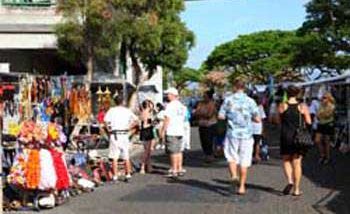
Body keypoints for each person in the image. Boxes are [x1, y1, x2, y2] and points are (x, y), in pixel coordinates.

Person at [218, 80, 261, 195]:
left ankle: (234, 175)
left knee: (232, 156)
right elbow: (257, 119)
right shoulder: (251, 101)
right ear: (244, 88)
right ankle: (242, 186)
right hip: (247, 134)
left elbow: (221, 116)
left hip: (232, 133)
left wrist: (230, 116)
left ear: (234, 87)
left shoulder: (228, 100)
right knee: (244, 160)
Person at [278, 86, 311, 196]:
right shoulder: (302, 106)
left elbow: (278, 120)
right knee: (297, 163)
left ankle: (290, 181)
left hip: (285, 135)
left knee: (286, 160)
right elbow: (309, 121)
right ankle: (296, 190)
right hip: (298, 136)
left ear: (287, 94)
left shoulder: (282, 105)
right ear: (298, 94)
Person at [104, 95, 138, 182]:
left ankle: (115, 176)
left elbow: (105, 121)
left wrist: (109, 130)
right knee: (126, 155)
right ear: (123, 102)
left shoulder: (111, 111)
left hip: (115, 134)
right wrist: (129, 127)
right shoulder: (127, 111)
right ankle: (128, 174)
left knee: (114, 156)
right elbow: (136, 120)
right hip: (124, 133)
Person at [161, 87, 186, 177]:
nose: (167, 96)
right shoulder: (181, 106)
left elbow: (167, 118)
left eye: (168, 94)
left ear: (172, 95)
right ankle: (179, 168)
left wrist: (163, 130)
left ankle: (174, 169)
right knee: (179, 151)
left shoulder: (170, 105)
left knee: (173, 151)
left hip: (172, 130)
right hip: (180, 130)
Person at [193, 90, 217, 163]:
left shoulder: (212, 104)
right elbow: (195, 113)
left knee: (209, 140)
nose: (204, 97)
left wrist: (200, 113)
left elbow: (209, 114)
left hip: (210, 125)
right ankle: (206, 154)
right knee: (203, 140)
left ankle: (210, 155)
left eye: (205, 96)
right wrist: (201, 113)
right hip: (201, 124)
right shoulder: (200, 103)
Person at [314, 92, 335, 165]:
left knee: (326, 141)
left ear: (329, 98)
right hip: (320, 124)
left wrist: (320, 114)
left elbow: (327, 115)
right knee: (317, 140)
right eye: (322, 97)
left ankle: (327, 157)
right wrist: (320, 114)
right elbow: (317, 115)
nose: (323, 99)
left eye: (324, 98)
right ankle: (322, 154)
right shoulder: (321, 105)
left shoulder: (331, 106)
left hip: (328, 124)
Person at [139, 99, 156, 174]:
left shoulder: (145, 112)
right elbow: (145, 124)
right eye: (151, 104)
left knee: (148, 151)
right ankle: (143, 167)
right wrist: (153, 123)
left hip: (147, 131)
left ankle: (149, 166)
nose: (152, 105)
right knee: (147, 151)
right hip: (147, 131)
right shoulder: (146, 113)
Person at [252, 96, 266, 164]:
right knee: (257, 143)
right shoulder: (260, 107)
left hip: (250, 128)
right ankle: (256, 156)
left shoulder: (250, 107)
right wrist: (263, 129)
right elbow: (263, 119)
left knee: (252, 143)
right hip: (258, 128)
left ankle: (253, 156)